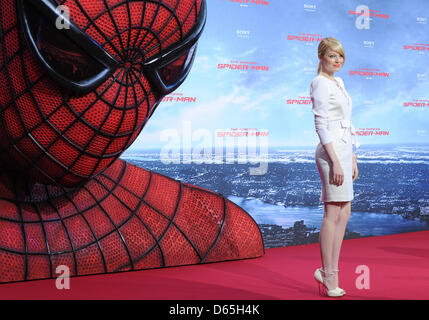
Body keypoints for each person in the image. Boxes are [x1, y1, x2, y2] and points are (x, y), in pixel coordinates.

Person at [310, 37, 360, 297]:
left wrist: (351, 156)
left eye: (341, 56)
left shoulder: (338, 82)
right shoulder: (319, 83)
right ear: (321, 57)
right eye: (332, 56)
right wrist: (337, 160)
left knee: (345, 213)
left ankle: (328, 271)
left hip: (343, 149)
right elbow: (321, 125)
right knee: (332, 214)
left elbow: (345, 122)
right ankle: (329, 276)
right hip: (330, 153)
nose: (338, 60)